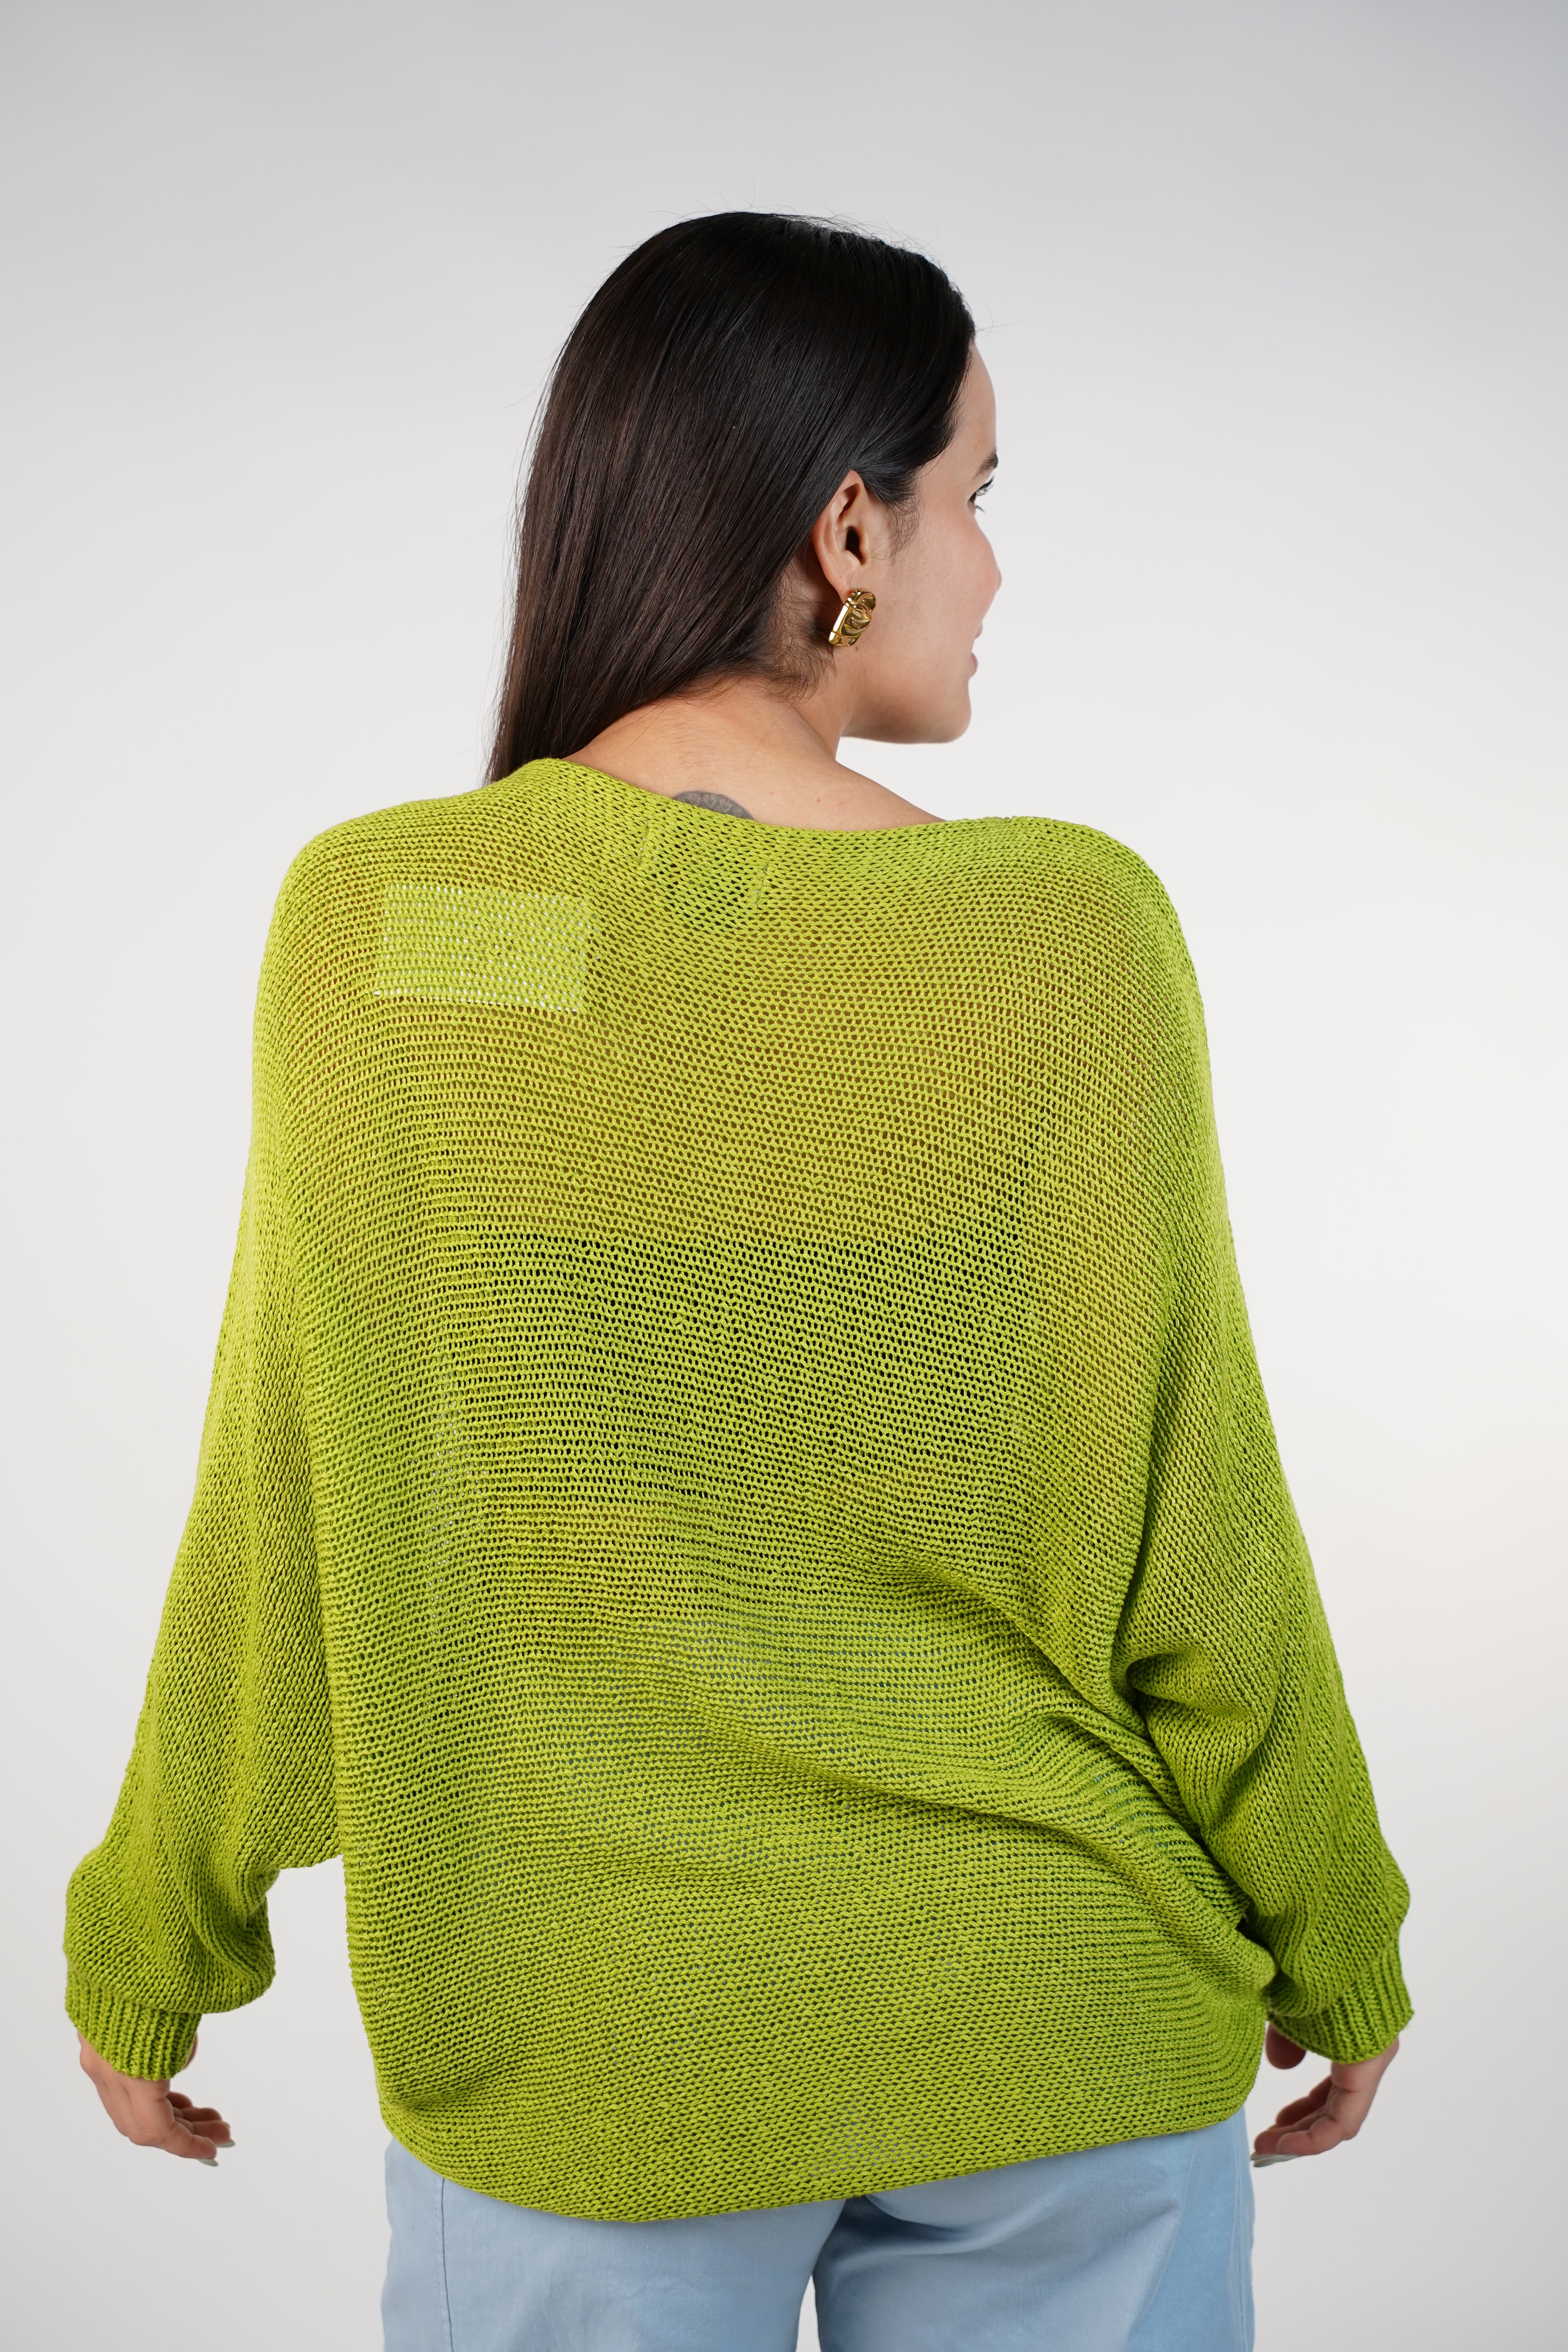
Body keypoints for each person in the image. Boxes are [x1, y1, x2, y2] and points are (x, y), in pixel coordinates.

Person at [66, 212, 1410, 2352]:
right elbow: (1203, 1527)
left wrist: (155, 1936)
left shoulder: (394, 924)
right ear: (848, 532)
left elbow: (288, 1512)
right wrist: (1340, 1932)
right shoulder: (1063, 939)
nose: (997, 568)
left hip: (582, 2043)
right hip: (1055, 2009)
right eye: (979, 495)